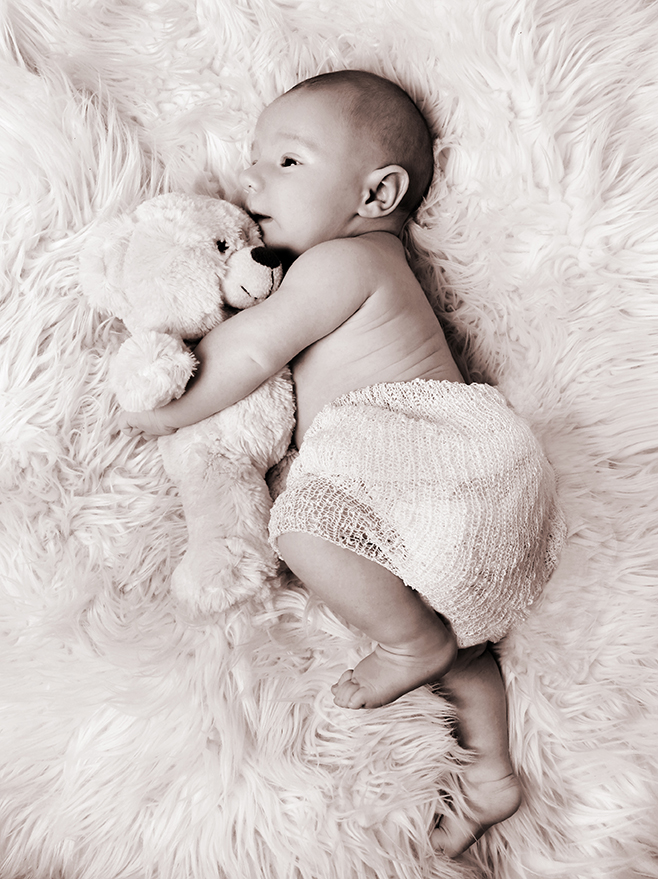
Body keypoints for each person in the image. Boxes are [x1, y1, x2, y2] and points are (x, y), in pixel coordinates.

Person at [119, 70, 565, 857]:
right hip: (456, 497)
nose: (252, 180)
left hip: (430, 457)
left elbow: (249, 354)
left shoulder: (343, 264)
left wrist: (163, 408)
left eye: (287, 161)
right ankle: (491, 770)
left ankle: (410, 646)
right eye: (255, 158)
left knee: (302, 531)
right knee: (447, 629)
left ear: (378, 193)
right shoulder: (367, 267)